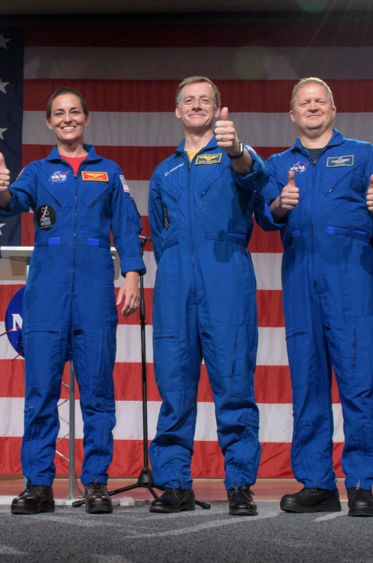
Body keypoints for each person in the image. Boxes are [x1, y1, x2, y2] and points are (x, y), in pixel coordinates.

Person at [0, 87, 144, 515]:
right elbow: (10, 205)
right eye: (59, 113)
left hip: (95, 289)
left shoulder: (108, 171)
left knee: (97, 391)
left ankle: (95, 482)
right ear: (49, 122)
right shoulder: (38, 171)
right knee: (40, 391)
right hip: (47, 292)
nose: (67, 119)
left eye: (74, 112)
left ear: (86, 118)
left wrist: (132, 274)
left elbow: (127, 227)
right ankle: (38, 484)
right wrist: (0, 190)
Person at [258, 77, 373, 517]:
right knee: (307, 383)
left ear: (333, 109)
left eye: (320, 101)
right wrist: (280, 205)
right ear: (292, 114)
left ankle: (360, 483)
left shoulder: (362, 153)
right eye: (305, 102)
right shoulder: (279, 164)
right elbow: (265, 216)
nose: (313, 107)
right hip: (301, 276)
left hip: (350, 276)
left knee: (359, 382)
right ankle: (317, 482)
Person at [145, 77, 266, 515]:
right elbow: (160, 235)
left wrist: (236, 150)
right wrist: (178, 268)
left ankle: (239, 484)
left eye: (205, 100)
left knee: (234, 384)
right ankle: (175, 483)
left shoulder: (235, 154)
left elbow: (257, 178)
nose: (196, 106)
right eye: (189, 101)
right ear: (177, 111)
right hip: (176, 281)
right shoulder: (164, 171)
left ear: (217, 109)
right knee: (175, 385)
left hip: (226, 276)